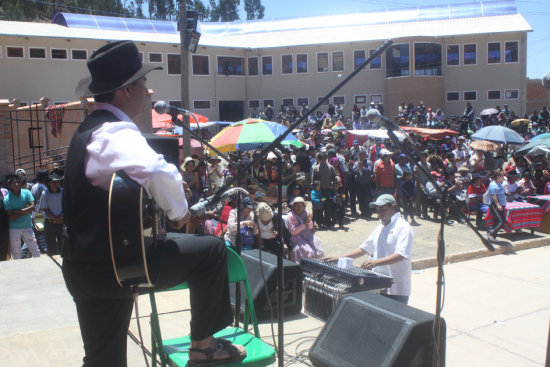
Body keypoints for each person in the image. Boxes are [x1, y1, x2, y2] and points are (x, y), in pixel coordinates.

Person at [62, 40, 245, 366]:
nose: (149, 92)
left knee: (103, 360)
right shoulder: (114, 133)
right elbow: (159, 172)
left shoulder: (84, 133)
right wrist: (178, 212)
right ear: (126, 91)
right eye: (143, 83)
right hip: (115, 269)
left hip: (84, 268)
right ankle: (203, 347)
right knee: (212, 251)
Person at [324, 194, 413, 304]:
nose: (379, 214)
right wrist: (339, 258)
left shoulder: (403, 227)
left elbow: (400, 255)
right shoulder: (379, 227)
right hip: (378, 286)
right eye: (378, 210)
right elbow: (363, 249)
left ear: (393, 207)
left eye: (383, 210)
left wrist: (375, 263)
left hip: (397, 289)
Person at [3, 173, 41, 260]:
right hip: (14, 229)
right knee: (16, 253)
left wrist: (18, 211)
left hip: (27, 226)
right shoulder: (7, 199)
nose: (16, 184)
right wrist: (25, 210)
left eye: (18, 182)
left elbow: (32, 207)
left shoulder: (26, 193)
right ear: (9, 185)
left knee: (35, 249)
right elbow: (11, 217)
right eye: (14, 183)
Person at [287, 196, 324, 263]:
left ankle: (318, 264)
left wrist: (309, 221)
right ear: (294, 206)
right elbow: (293, 231)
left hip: (307, 234)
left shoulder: (306, 213)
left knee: (318, 244)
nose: (299, 208)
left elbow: (310, 227)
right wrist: (304, 224)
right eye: (297, 206)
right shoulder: (290, 216)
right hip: (297, 237)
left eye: (301, 206)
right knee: (307, 251)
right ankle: (307, 266)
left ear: (304, 206)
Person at [39, 170, 64, 256]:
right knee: (51, 246)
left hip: (61, 222)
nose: (55, 184)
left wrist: (61, 217)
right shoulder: (45, 193)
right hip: (50, 222)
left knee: (63, 244)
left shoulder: (62, 192)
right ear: (49, 183)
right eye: (52, 182)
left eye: (57, 182)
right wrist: (55, 218)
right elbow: (45, 209)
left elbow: (66, 205)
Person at [487, 169, 507, 242]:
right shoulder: (493, 184)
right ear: (498, 176)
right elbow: (494, 196)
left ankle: (493, 236)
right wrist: (498, 205)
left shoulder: (499, 183)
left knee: (498, 221)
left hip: (502, 204)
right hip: (495, 205)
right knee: (501, 221)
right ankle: (491, 233)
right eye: (502, 176)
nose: (503, 177)